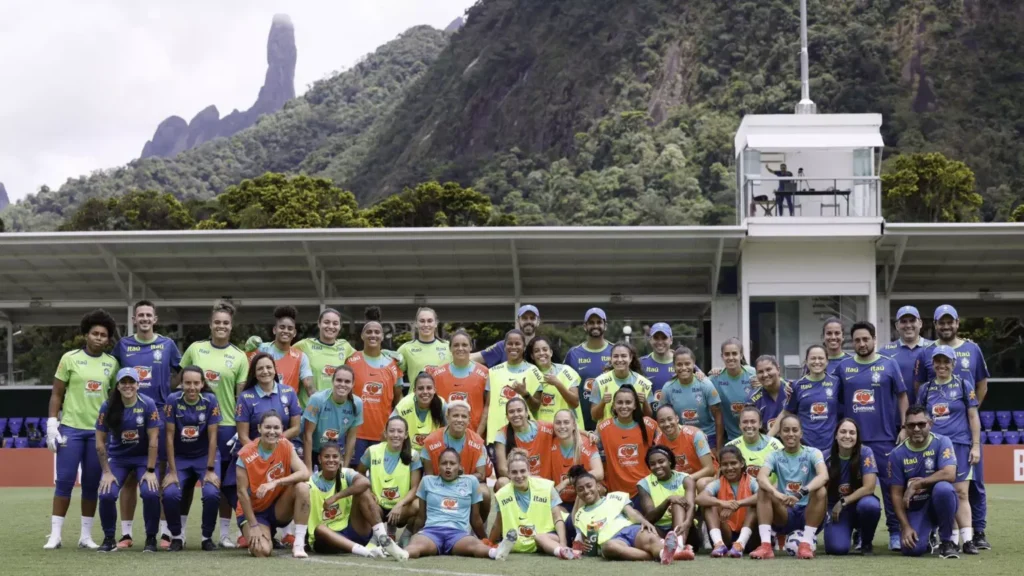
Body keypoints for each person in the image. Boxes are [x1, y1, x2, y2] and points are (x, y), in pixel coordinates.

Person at [914, 304, 991, 550]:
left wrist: (976, 445)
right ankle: (950, 538)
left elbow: (973, 414)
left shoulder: (963, 383)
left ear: (953, 363)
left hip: (960, 443)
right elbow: (920, 416)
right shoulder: (926, 389)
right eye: (937, 362)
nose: (941, 365)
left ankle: (969, 539)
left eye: (946, 362)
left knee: (962, 492)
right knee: (942, 492)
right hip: (935, 447)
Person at [44, 309, 120, 551]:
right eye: (95, 333)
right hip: (71, 429)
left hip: (97, 433)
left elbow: (114, 398)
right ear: (86, 334)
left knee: (90, 484)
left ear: (108, 339)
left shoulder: (112, 363)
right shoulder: (70, 358)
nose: (99, 337)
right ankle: (55, 535)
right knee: (64, 481)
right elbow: (57, 393)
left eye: (104, 335)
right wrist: (51, 423)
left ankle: (85, 536)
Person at [112, 300, 182, 549]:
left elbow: (182, 373)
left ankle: (163, 534)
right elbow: (112, 375)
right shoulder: (123, 346)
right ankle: (127, 534)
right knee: (130, 477)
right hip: (129, 415)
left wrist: (170, 395)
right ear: (134, 319)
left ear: (155, 319)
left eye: (148, 315)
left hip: (159, 415)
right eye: (139, 315)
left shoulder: (167, 345)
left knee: (158, 474)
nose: (144, 318)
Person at [179, 300, 249, 548]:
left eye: (226, 323)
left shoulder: (239, 356)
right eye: (217, 322)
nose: (221, 326)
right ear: (210, 324)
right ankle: (180, 533)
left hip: (227, 426)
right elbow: (181, 384)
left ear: (231, 326)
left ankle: (224, 534)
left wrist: (241, 428)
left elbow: (240, 397)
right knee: (186, 480)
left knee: (222, 482)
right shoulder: (195, 349)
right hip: (193, 424)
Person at [835, 320, 909, 551]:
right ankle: (859, 532)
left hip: (884, 438)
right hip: (853, 441)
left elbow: (902, 396)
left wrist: (904, 427)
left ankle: (895, 531)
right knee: (854, 487)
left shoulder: (889, 364)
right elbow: (834, 400)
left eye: (866, 339)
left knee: (891, 488)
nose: (862, 343)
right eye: (857, 340)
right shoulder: (843, 367)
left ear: (874, 340)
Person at [405, 448, 518, 560]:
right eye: (444, 463)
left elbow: (475, 518)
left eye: (452, 463)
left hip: (458, 535)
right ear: (438, 466)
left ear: (459, 466)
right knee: (416, 545)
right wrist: (416, 534)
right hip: (431, 532)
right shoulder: (427, 481)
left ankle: (496, 553)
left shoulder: (471, 482)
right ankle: (403, 553)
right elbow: (421, 517)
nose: (448, 466)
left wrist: (485, 539)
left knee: (475, 544)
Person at [95, 368, 162, 552]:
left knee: (150, 492)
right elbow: (100, 442)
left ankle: (150, 539)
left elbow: (154, 440)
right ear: (117, 386)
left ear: (137, 385)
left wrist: (150, 471)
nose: (127, 386)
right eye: (123, 382)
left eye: (131, 382)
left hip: (143, 458)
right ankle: (109, 538)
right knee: (106, 493)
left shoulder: (148, 404)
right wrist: (107, 472)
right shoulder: (107, 406)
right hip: (118, 458)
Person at [308, 441, 407, 560]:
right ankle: (366, 552)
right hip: (327, 539)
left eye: (335, 456)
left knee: (363, 490)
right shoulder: (311, 481)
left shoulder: (346, 473)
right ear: (319, 459)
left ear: (341, 458)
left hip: (351, 529)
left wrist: (335, 497)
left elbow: (365, 482)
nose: (331, 460)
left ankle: (383, 540)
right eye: (326, 456)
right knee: (320, 529)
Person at [750, 415, 828, 560]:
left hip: (808, 512)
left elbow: (823, 476)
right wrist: (777, 494)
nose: (790, 434)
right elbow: (761, 477)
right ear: (779, 433)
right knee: (763, 490)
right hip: (785, 512)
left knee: (821, 490)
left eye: (794, 430)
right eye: (786, 430)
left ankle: (805, 544)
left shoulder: (813, 453)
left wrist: (801, 493)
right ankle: (766, 546)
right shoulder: (774, 456)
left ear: (801, 433)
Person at [234, 410, 311, 559]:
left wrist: (275, 483)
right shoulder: (245, 454)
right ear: (259, 429)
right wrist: (254, 525)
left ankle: (299, 544)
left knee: (302, 487)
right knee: (262, 551)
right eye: (267, 427)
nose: (272, 432)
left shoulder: (286, 445)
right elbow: (241, 493)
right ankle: (258, 536)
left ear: (282, 429)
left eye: (276, 428)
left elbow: (305, 473)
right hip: (254, 512)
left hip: (277, 507)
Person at [162, 367, 222, 552]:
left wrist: (210, 469)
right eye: (188, 383)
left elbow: (213, 438)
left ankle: (206, 538)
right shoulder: (172, 400)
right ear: (181, 384)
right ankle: (177, 536)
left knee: (212, 493)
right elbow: (169, 438)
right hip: (180, 458)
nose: (192, 387)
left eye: (196, 383)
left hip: (205, 457)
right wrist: (172, 472)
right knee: (170, 493)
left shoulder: (210, 400)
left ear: (203, 384)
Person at [889, 406, 960, 558]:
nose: (916, 429)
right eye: (911, 425)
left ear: (930, 424)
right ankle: (928, 537)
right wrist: (906, 526)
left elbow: (950, 473)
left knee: (944, 489)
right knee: (911, 550)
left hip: (940, 502)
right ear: (905, 427)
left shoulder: (942, 442)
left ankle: (947, 542)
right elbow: (895, 495)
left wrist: (917, 484)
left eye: (921, 424)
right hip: (916, 508)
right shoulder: (896, 454)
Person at [570, 466, 677, 563]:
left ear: (597, 486)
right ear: (577, 494)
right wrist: (584, 546)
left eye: (589, 486)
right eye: (580, 489)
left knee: (650, 537)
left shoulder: (615, 497)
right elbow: (582, 541)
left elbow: (632, 513)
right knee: (608, 548)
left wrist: (644, 521)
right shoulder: (579, 515)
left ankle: (662, 553)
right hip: (612, 540)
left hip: (630, 530)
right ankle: (661, 555)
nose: (586, 491)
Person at [491, 449, 576, 560]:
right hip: (532, 539)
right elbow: (498, 523)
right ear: (508, 474)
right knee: (538, 539)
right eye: (514, 472)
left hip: (560, 531)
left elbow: (557, 518)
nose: (519, 475)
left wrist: (563, 542)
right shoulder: (502, 494)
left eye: (522, 471)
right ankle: (562, 550)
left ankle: (562, 550)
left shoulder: (546, 487)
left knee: (540, 538)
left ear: (529, 471)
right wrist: (489, 542)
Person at [349, 307, 404, 467]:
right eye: (369, 332)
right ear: (362, 335)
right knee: (356, 476)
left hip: (382, 433)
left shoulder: (393, 364)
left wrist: (394, 427)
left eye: (377, 332)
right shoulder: (351, 361)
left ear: (382, 336)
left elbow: (398, 398)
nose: (373, 335)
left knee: (380, 477)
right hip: (356, 433)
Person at [421, 401, 493, 521]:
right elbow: (429, 476)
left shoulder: (477, 441)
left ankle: (479, 526)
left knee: (485, 492)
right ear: (447, 417)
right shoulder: (431, 441)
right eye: (455, 415)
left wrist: (459, 478)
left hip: (465, 484)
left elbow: (481, 475)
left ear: (469, 420)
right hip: (439, 483)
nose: (459, 420)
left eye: (464, 416)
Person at [356, 417, 423, 543]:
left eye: (400, 431)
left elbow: (415, 488)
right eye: (392, 431)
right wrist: (369, 492)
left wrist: (399, 505)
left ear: (406, 434)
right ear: (385, 433)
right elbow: (359, 473)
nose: (396, 435)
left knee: (420, 504)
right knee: (362, 496)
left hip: (401, 508)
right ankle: (379, 536)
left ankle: (405, 537)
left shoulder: (413, 455)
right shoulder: (372, 451)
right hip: (378, 506)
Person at [823, 419, 881, 556]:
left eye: (852, 433)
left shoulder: (866, 452)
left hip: (859, 504)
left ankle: (866, 541)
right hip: (836, 510)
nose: (847, 436)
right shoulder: (825, 457)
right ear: (836, 435)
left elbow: (869, 487)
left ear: (857, 437)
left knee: (870, 506)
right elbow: (820, 491)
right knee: (837, 549)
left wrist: (843, 501)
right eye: (843, 432)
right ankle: (844, 533)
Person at [695, 445, 760, 558]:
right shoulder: (718, 483)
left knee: (755, 504)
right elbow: (699, 498)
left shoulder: (752, 481)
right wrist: (722, 503)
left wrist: (738, 504)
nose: (729, 468)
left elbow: (763, 496)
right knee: (710, 505)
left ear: (742, 464)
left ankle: (740, 544)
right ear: (720, 467)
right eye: (725, 464)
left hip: (750, 537)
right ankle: (718, 544)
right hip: (726, 534)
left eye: (733, 463)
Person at [597, 386, 659, 500]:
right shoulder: (603, 428)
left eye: (628, 402)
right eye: (620, 402)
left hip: (646, 490)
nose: (624, 406)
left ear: (635, 405)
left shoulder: (649, 425)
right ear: (614, 405)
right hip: (616, 492)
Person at [635, 446, 697, 560]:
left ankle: (678, 546)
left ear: (669, 461)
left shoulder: (686, 479)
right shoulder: (644, 484)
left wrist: (687, 522)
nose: (657, 466)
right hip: (660, 530)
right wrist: (668, 500)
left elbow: (691, 505)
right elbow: (649, 517)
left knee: (678, 504)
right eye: (652, 464)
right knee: (644, 530)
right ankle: (674, 549)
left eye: (661, 461)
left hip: (686, 529)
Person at [778, 345, 839, 459]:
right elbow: (786, 413)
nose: (817, 362)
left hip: (830, 447)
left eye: (820, 358)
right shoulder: (797, 385)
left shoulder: (836, 382)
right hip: (805, 447)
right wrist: (768, 438)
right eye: (813, 358)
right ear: (806, 361)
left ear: (827, 361)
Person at [550, 409, 603, 540]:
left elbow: (599, 473)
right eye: (558, 423)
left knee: (596, 488)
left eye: (566, 422)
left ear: (574, 425)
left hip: (583, 499)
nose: (562, 426)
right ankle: (570, 533)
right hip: (561, 501)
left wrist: (568, 481)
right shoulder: (550, 441)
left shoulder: (586, 443)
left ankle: (578, 534)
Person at [244, 305, 315, 402]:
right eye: (282, 327)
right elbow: (245, 377)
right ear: (274, 330)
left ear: (294, 333)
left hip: (288, 410)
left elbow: (309, 386)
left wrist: (320, 405)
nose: (286, 331)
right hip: (260, 407)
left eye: (290, 328)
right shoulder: (260, 349)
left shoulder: (301, 357)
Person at [658, 346, 724, 449]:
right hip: (681, 437)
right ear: (674, 366)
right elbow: (661, 417)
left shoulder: (705, 384)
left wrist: (719, 447)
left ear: (693, 364)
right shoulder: (668, 388)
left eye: (687, 364)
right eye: (679, 364)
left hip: (708, 436)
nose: (684, 368)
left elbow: (718, 417)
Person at [485, 329, 544, 445]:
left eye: (517, 344)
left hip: (525, 437)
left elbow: (536, 407)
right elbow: (487, 407)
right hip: (496, 437)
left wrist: (525, 394)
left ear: (524, 347)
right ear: (504, 346)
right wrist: (479, 433)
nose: (513, 347)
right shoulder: (493, 372)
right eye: (510, 343)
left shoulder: (534, 371)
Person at [302, 365, 363, 473]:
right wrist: (308, 470)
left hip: (331, 450)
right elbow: (307, 435)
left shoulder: (357, 404)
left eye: (347, 381)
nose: (342, 384)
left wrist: (345, 467)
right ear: (332, 381)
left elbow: (351, 437)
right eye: (339, 380)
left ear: (353, 384)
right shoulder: (317, 400)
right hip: (309, 447)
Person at [429, 329, 489, 436]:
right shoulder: (437, 374)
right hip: (444, 437)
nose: (460, 348)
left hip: (474, 435)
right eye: (456, 345)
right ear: (450, 348)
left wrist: (478, 435)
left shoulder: (484, 373)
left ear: (471, 347)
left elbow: (488, 407)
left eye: (464, 345)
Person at [236, 353, 302, 448]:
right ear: (254, 373)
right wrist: (260, 453)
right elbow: (243, 437)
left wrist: (273, 442)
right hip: (254, 452)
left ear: (275, 370)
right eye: (260, 369)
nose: (265, 371)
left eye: (269, 367)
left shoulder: (289, 392)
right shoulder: (245, 397)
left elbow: (296, 428)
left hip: (282, 448)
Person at [563, 307, 614, 431]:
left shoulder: (615, 352)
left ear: (605, 325)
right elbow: (565, 386)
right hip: (580, 422)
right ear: (585, 326)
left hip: (609, 420)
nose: (595, 325)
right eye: (591, 322)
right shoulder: (573, 354)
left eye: (599, 322)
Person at [293, 307, 356, 399]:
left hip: (334, 408)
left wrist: (384, 354)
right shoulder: (304, 345)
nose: (331, 326)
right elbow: (284, 353)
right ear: (319, 324)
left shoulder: (345, 346)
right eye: (326, 322)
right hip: (309, 409)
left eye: (335, 323)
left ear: (340, 326)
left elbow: (364, 357)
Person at [527, 335, 585, 426]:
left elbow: (575, 403)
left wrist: (557, 383)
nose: (541, 353)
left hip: (568, 430)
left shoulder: (566, 371)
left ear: (551, 352)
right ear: (532, 356)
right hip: (542, 431)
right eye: (537, 351)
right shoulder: (528, 375)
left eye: (545, 349)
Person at [495, 396, 555, 483]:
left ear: (527, 413)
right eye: (511, 412)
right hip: (519, 481)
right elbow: (502, 469)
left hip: (545, 483)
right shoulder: (502, 434)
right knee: (502, 482)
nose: (516, 414)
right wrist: (528, 479)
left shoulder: (544, 428)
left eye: (519, 410)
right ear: (507, 417)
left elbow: (569, 429)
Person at [590, 342, 654, 423]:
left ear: (630, 358)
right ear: (611, 359)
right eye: (616, 356)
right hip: (607, 434)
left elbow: (648, 418)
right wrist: (603, 402)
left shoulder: (645, 384)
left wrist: (644, 402)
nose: (619, 360)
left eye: (623, 356)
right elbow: (594, 417)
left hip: (634, 434)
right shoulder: (599, 382)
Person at [653, 405, 716, 485]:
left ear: (677, 419)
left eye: (670, 419)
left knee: (701, 483)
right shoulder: (658, 442)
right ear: (658, 424)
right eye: (662, 421)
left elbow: (709, 469)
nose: (667, 424)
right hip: (679, 483)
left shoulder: (695, 435)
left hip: (704, 478)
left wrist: (684, 480)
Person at [709, 338, 756, 443]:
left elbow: (775, 380)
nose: (731, 357)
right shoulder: (715, 378)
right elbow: (699, 383)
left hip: (755, 436)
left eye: (734, 353)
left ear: (741, 355)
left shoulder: (754, 374)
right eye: (727, 354)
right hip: (731, 439)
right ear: (722, 356)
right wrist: (698, 373)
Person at [880, 306, 932, 395]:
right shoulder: (884, 352)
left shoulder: (934, 348)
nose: (908, 325)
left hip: (927, 407)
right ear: (897, 326)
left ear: (920, 323)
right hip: (896, 408)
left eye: (912, 320)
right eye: (903, 321)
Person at [725, 406, 784, 482]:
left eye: (753, 421)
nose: (749, 425)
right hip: (741, 492)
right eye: (745, 422)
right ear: (739, 425)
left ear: (760, 424)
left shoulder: (775, 445)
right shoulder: (731, 447)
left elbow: (785, 475)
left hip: (770, 491)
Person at [391, 372, 446, 452]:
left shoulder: (442, 405)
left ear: (434, 390)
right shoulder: (404, 405)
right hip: (407, 452)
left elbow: (450, 433)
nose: (425, 392)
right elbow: (389, 429)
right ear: (414, 391)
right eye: (420, 388)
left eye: (429, 388)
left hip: (432, 452)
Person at [473, 304, 541, 367]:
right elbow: (471, 358)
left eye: (532, 318)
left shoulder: (543, 348)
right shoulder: (503, 346)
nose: (528, 321)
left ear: (538, 322)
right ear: (518, 321)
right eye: (524, 318)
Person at [397, 307, 451, 385]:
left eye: (430, 321)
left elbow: (466, 360)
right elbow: (391, 371)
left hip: (441, 397)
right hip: (415, 397)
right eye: (422, 321)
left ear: (436, 323)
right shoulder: (406, 348)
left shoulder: (448, 347)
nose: (426, 324)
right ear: (416, 323)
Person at [752, 355, 792, 435]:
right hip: (767, 444)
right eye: (760, 372)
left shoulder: (791, 390)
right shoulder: (752, 399)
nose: (765, 375)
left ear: (778, 369)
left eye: (768, 369)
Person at [641, 323, 676, 407]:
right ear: (650, 340)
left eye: (664, 338)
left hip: (674, 418)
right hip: (649, 418)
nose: (660, 342)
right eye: (656, 338)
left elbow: (700, 377)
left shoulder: (681, 363)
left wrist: (713, 372)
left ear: (671, 340)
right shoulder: (640, 363)